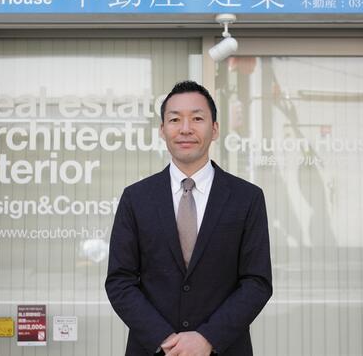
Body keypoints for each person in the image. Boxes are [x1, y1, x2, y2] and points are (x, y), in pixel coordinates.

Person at [105, 81, 272, 356]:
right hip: (154, 349)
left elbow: (257, 282)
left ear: (214, 129)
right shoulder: (136, 198)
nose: (185, 129)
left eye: (197, 118)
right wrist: (164, 339)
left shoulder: (247, 198)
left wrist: (208, 338)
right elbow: (119, 281)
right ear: (162, 130)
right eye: (174, 119)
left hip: (223, 349)